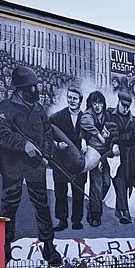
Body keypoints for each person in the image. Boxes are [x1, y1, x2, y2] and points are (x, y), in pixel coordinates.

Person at [0, 66, 62, 266]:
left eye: (35, 87)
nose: (35, 91)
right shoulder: (5, 107)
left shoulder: (38, 108)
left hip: (35, 167)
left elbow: (48, 132)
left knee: (42, 206)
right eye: (30, 88)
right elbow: (0, 133)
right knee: (9, 207)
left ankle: (49, 247)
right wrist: (24, 144)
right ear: (20, 89)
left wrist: (46, 151)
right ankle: (4, 248)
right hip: (12, 167)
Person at [49, 86, 87, 231]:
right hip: (61, 160)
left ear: (80, 101)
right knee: (60, 190)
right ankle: (62, 220)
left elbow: (91, 137)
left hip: (79, 161)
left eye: (75, 98)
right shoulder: (56, 117)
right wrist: (57, 144)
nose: (71, 101)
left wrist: (86, 144)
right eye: (69, 97)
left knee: (78, 190)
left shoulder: (86, 119)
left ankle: (77, 220)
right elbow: (47, 136)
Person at [104, 91, 135, 224]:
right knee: (104, 184)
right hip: (105, 153)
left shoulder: (134, 122)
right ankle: (95, 207)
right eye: (123, 105)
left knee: (121, 183)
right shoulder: (107, 113)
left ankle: (123, 212)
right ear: (118, 102)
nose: (125, 109)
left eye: (128, 106)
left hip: (122, 158)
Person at [80, 91, 112, 227]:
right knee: (96, 184)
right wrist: (83, 141)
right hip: (92, 152)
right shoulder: (88, 115)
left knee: (106, 184)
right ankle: (95, 214)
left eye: (100, 103)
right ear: (91, 104)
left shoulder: (108, 115)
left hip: (105, 155)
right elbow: (83, 130)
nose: (97, 106)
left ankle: (95, 203)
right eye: (95, 103)